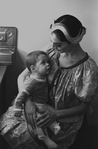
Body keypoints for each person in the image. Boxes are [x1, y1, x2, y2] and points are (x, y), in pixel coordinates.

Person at [0, 14, 98, 149]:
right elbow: (22, 77)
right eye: (52, 42)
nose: (53, 46)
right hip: (34, 104)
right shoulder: (50, 51)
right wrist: (28, 102)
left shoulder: (88, 69)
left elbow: (84, 107)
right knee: (8, 127)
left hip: (60, 117)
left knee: (38, 137)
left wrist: (54, 114)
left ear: (74, 41)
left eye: (59, 44)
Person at [0, 50, 61, 149]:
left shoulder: (42, 76)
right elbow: (21, 94)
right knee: (38, 122)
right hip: (36, 105)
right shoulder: (32, 82)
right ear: (33, 68)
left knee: (48, 111)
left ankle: (53, 126)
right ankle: (45, 139)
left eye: (48, 62)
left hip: (43, 104)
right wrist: (18, 108)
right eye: (43, 63)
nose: (48, 65)